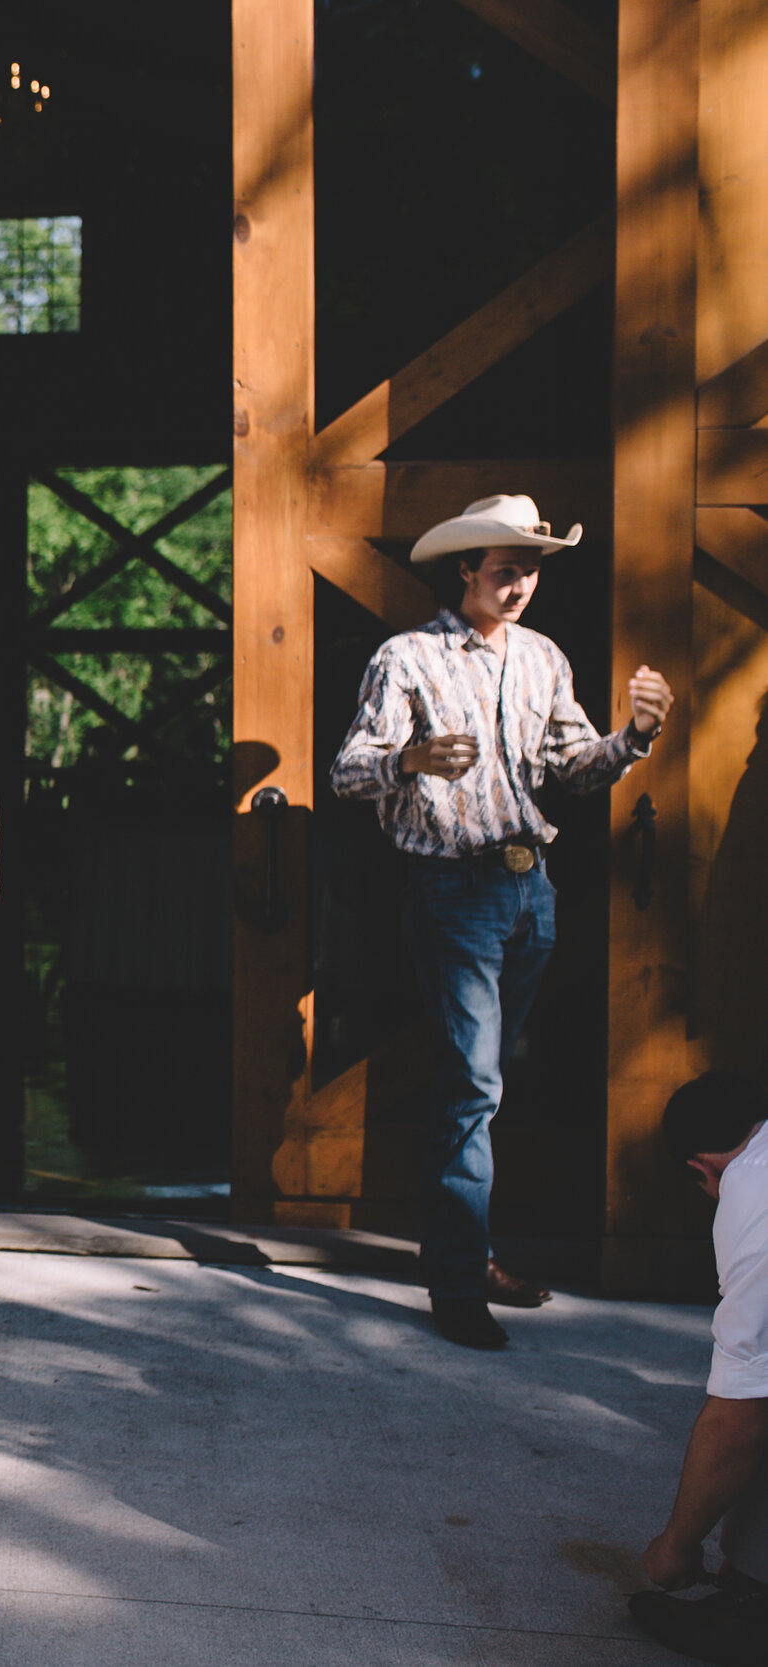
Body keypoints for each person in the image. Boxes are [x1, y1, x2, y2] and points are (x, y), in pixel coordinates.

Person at [330, 494, 673, 1350]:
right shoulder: (406, 656)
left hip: (531, 888)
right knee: (473, 1085)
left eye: (532, 568)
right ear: (467, 570)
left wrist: (632, 737)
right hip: (452, 889)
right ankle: (456, 1279)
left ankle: (468, 1252)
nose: (521, 583)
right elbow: (346, 772)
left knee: (481, 1085)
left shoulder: (544, 658)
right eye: (506, 568)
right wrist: (412, 758)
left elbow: (573, 765)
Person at [631, 1072, 768, 1663]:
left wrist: (677, 1546)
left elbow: (740, 1416)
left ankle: (756, 1609)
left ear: (701, 1170)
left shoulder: (754, 1197)